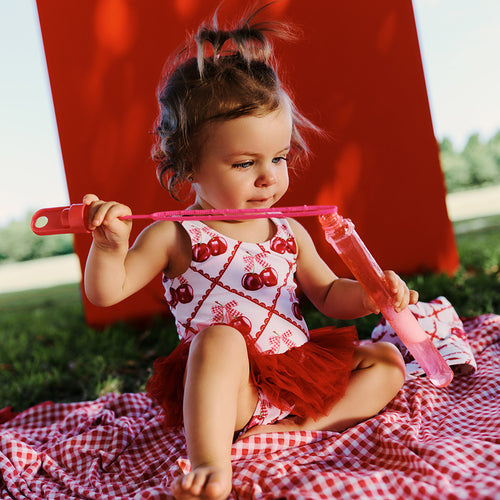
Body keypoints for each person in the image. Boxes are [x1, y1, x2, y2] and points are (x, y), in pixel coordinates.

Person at [83, 7, 418, 500]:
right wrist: (108, 248)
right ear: (189, 167)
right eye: (245, 163)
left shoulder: (286, 230)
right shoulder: (175, 235)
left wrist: (370, 294)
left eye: (278, 158)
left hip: (299, 378)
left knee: (388, 360)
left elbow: (326, 293)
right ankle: (212, 465)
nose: (269, 177)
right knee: (219, 338)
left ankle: (286, 433)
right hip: (232, 393)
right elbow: (106, 292)